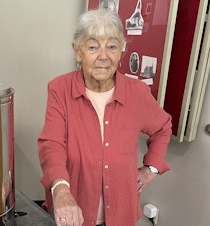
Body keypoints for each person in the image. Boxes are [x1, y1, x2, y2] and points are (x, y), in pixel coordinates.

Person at [38, 9, 171, 226]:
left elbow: (162, 127)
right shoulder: (59, 89)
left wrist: (151, 169)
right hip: (73, 213)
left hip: (122, 213)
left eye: (111, 46)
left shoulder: (137, 92)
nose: (103, 56)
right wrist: (60, 188)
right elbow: (51, 143)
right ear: (77, 51)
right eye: (92, 46)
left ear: (121, 51)